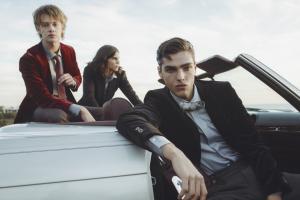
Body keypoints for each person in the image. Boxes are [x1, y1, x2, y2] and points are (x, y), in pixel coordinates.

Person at [117, 37, 290, 200]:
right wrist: (175, 154)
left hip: (249, 171)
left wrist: (274, 191)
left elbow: (254, 143)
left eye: (186, 67)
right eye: (171, 69)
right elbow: (129, 119)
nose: (181, 77)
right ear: (160, 72)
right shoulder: (158, 99)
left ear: (195, 68)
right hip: (208, 184)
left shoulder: (222, 91)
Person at [14, 4, 95, 123]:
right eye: (45, 25)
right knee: (60, 116)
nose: (51, 28)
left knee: (107, 110)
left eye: (55, 24)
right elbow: (42, 97)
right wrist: (79, 109)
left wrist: (73, 81)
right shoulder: (29, 58)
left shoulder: (69, 51)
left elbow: (77, 76)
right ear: (38, 28)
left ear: (62, 27)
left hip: (67, 102)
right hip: (40, 106)